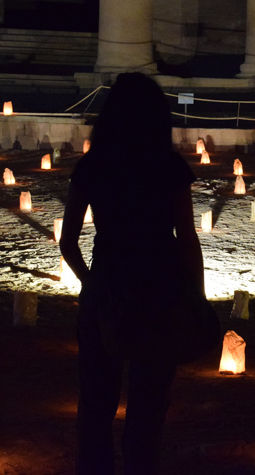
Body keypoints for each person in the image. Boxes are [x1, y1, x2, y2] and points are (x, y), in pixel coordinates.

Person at [59, 72, 205, 475]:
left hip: (106, 290)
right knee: (148, 406)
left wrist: (93, 285)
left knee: (96, 403)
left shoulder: (92, 167)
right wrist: (197, 296)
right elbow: (187, 239)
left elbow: (68, 242)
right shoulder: (169, 167)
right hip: (160, 293)